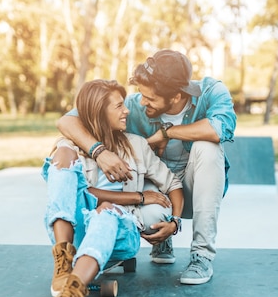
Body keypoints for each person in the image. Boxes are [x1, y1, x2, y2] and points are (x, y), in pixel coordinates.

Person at [57, 49, 236, 285]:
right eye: (142, 95)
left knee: (208, 147)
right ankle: (160, 239)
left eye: (150, 99)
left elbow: (218, 129)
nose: (142, 102)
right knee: (152, 213)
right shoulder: (132, 106)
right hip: (156, 188)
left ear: (175, 97)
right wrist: (99, 152)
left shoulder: (211, 92)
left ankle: (201, 256)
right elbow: (67, 120)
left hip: (197, 188)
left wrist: (166, 133)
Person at [42, 79, 184, 297]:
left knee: (106, 211)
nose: (126, 111)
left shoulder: (136, 145)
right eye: (118, 106)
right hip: (78, 232)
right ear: (99, 111)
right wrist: (136, 197)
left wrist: (176, 222)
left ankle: (71, 296)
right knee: (61, 155)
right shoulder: (72, 145)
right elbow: (80, 191)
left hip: (121, 232)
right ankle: (64, 265)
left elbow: (173, 185)